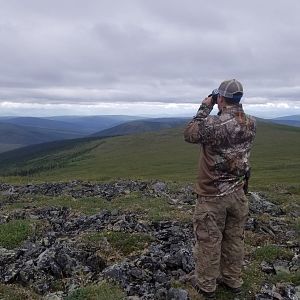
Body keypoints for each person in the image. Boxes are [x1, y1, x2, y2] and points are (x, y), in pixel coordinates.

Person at [183, 79, 256, 299]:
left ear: (221, 98)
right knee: (234, 238)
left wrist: (206, 106)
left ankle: (206, 286)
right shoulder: (251, 123)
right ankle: (232, 280)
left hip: (213, 195)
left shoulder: (214, 124)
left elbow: (190, 133)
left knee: (208, 241)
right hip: (238, 193)